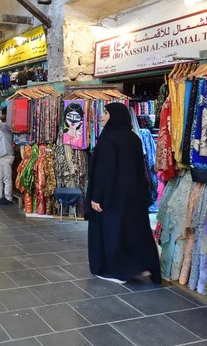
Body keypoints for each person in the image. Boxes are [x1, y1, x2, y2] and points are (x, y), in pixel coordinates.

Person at [86, 102, 162, 285]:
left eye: (105, 113)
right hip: (133, 196)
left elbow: (105, 171)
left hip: (112, 197)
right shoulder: (134, 138)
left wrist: (97, 197)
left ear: (115, 116)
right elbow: (140, 169)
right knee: (134, 231)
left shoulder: (107, 139)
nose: (101, 116)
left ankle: (118, 270)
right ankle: (142, 265)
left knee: (112, 232)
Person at [0, 111, 14, 205]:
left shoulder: (7, 127)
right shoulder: (3, 129)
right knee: (0, 177)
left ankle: (8, 197)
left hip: (7, 155)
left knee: (7, 177)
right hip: (2, 154)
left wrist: (2, 117)